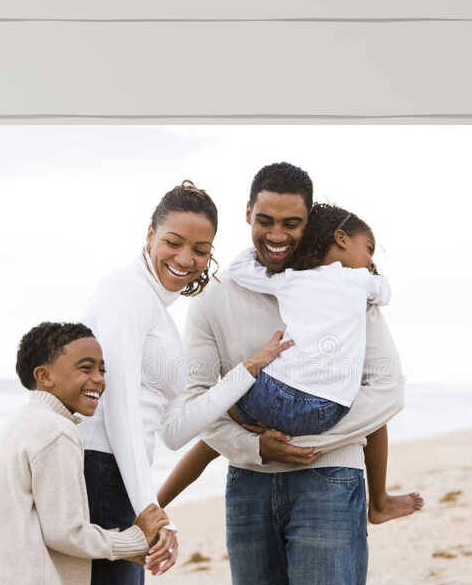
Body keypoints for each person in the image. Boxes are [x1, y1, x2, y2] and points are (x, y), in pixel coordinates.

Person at [177, 162, 406, 585]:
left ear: (309, 222)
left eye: (291, 223)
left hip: (331, 477)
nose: (277, 235)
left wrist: (301, 445)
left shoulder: (348, 290)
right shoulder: (214, 297)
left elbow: (388, 391)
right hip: (247, 482)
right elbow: (196, 401)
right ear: (247, 215)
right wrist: (253, 446)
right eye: (265, 221)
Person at [77, 181, 293, 585]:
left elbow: (174, 431)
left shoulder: (161, 317)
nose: (185, 259)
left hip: (122, 476)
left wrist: (248, 370)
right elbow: (119, 406)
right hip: (99, 472)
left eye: (200, 250)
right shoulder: (126, 291)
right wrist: (151, 509)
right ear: (149, 235)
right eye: (173, 242)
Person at [156, 202, 421, 527]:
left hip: (270, 400)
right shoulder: (354, 285)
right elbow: (384, 296)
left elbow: (244, 271)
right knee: (365, 409)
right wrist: (372, 280)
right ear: (339, 238)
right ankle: (378, 500)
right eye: (369, 250)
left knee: (217, 422)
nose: (370, 261)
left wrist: (257, 443)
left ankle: (156, 502)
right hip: (321, 404)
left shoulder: (290, 281)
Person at [0, 321, 175, 585]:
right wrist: (135, 539)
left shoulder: (22, 422)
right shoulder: (57, 432)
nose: (99, 379)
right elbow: (66, 533)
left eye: (102, 369)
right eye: (85, 368)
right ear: (44, 376)